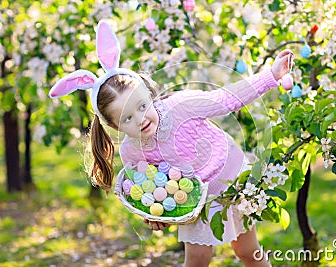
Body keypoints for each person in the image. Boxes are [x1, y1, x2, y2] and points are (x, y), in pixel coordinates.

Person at [49, 21, 293, 267]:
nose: (141, 119)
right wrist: (159, 215)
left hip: (231, 179)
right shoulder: (132, 151)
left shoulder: (182, 105)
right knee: (197, 260)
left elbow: (226, 99)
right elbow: (153, 188)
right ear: (114, 126)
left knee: (247, 251)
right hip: (196, 198)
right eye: (127, 118)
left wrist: (271, 76)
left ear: (148, 94)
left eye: (142, 106)